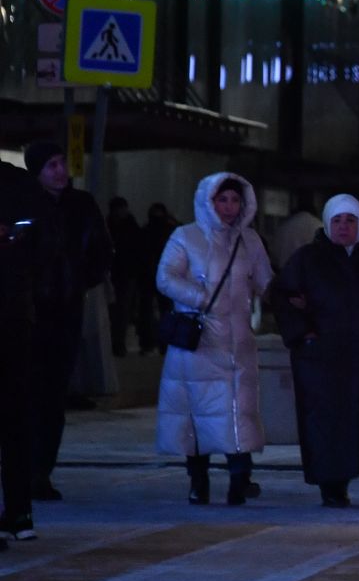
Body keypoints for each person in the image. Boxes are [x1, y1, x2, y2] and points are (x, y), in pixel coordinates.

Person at [271, 193, 359, 506]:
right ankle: (331, 484)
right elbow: (282, 296)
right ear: (326, 223)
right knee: (326, 421)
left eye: (350, 220)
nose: (343, 227)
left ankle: (356, 471)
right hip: (323, 359)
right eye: (337, 220)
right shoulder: (309, 259)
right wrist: (303, 333)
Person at [155, 173, 273, 505]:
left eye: (235, 200)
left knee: (238, 412)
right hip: (200, 341)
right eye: (223, 200)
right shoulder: (186, 236)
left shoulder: (250, 241)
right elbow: (165, 277)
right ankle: (198, 479)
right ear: (209, 200)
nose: (229, 207)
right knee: (198, 414)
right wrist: (201, 298)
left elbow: (265, 282)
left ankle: (239, 478)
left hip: (238, 343)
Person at [23, 142, 112, 502]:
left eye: (62, 163)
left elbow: (101, 252)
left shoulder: (81, 205)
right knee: (25, 394)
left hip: (65, 310)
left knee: (52, 396)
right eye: (52, 165)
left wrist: (78, 281)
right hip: (28, 311)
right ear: (37, 172)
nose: (61, 171)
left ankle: (41, 472)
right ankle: (22, 470)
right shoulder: (26, 204)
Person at [1, 163, 49, 544]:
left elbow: (40, 243)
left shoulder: (17, 186)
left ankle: (19, 511)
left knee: (14, 416)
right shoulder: (19, 185)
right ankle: (19, 512)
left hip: (12, 315)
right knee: (14, 417)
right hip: (15, 315)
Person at [105, 197, 152, 356]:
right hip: (119, 273)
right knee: (117, 311)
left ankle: (117, 343)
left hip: (125, 273)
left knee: (121, 311)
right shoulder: (124, 226)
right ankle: (116, 343)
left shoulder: (125, 227)